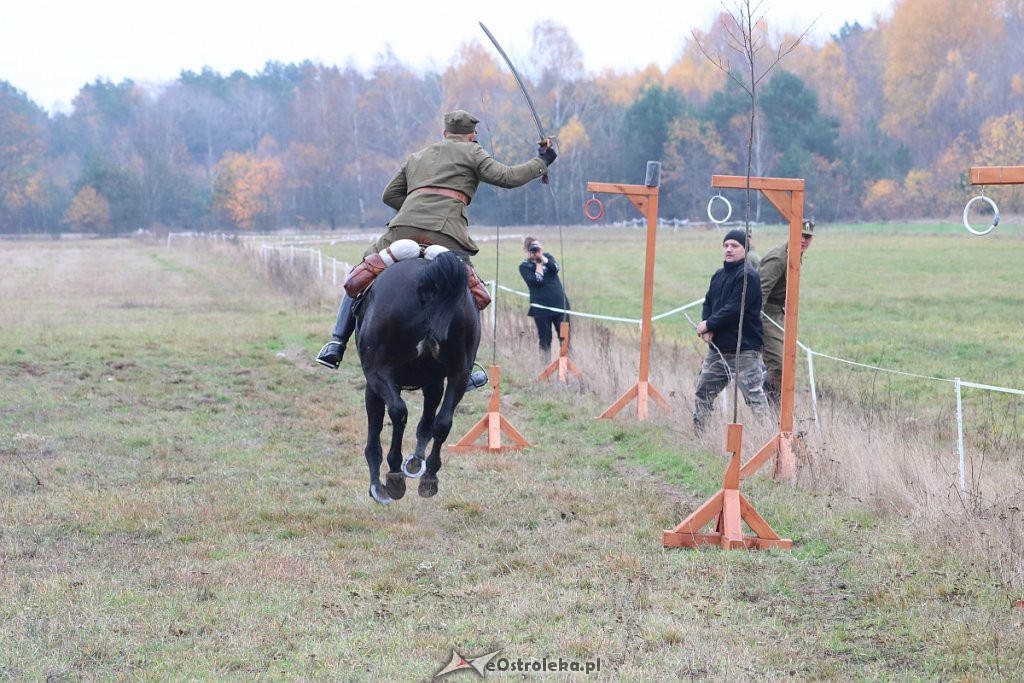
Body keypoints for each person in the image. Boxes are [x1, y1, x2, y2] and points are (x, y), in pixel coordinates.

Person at [317, 109, 557, 377]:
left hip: (403, 229)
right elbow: (508, 178)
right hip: (447, 234)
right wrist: (543, 161)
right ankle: (467, 368)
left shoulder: (418, 156)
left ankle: (336, 344)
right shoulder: (473, 152)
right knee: (469, 288)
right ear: (471, 136)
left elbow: (390, 195)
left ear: (444, 133)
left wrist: (414, 210)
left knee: (363, 273)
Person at [692, 229, 770, 431]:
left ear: (745, 249)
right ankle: (699, 437)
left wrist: (709, 324)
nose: (729, 249)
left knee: (754, 397)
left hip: (744, 349)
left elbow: (735, 308)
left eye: (735, 246)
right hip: (718, 350)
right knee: (703, 392)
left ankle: (768, 439)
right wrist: (706, 325)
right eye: (726, 245)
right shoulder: (718, 275)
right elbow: (708, 302)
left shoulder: (748, 277)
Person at [757, 219, 815, 407]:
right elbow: (759, 292)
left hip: (779, 314)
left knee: (785, 364)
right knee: (779, 365)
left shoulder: (795, 254)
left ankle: (775, 407)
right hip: (765, 314)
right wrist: (755, 323)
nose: (804, 240)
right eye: (801, 235)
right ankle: (768, 407)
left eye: (808, 237)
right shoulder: (779, 258)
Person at [518, 236, 570, 359]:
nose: (537, 251)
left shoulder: (547, 258)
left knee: (565, 339)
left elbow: (555, 268)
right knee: (545, 341)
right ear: (527, 250)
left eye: (538, 247)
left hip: (560, 306)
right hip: (541, 310)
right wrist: (538, 264)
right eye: (534, 248)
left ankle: (565, 368)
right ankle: (545, 369)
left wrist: (542, 258)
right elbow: (537, 280)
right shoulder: (524, 266)